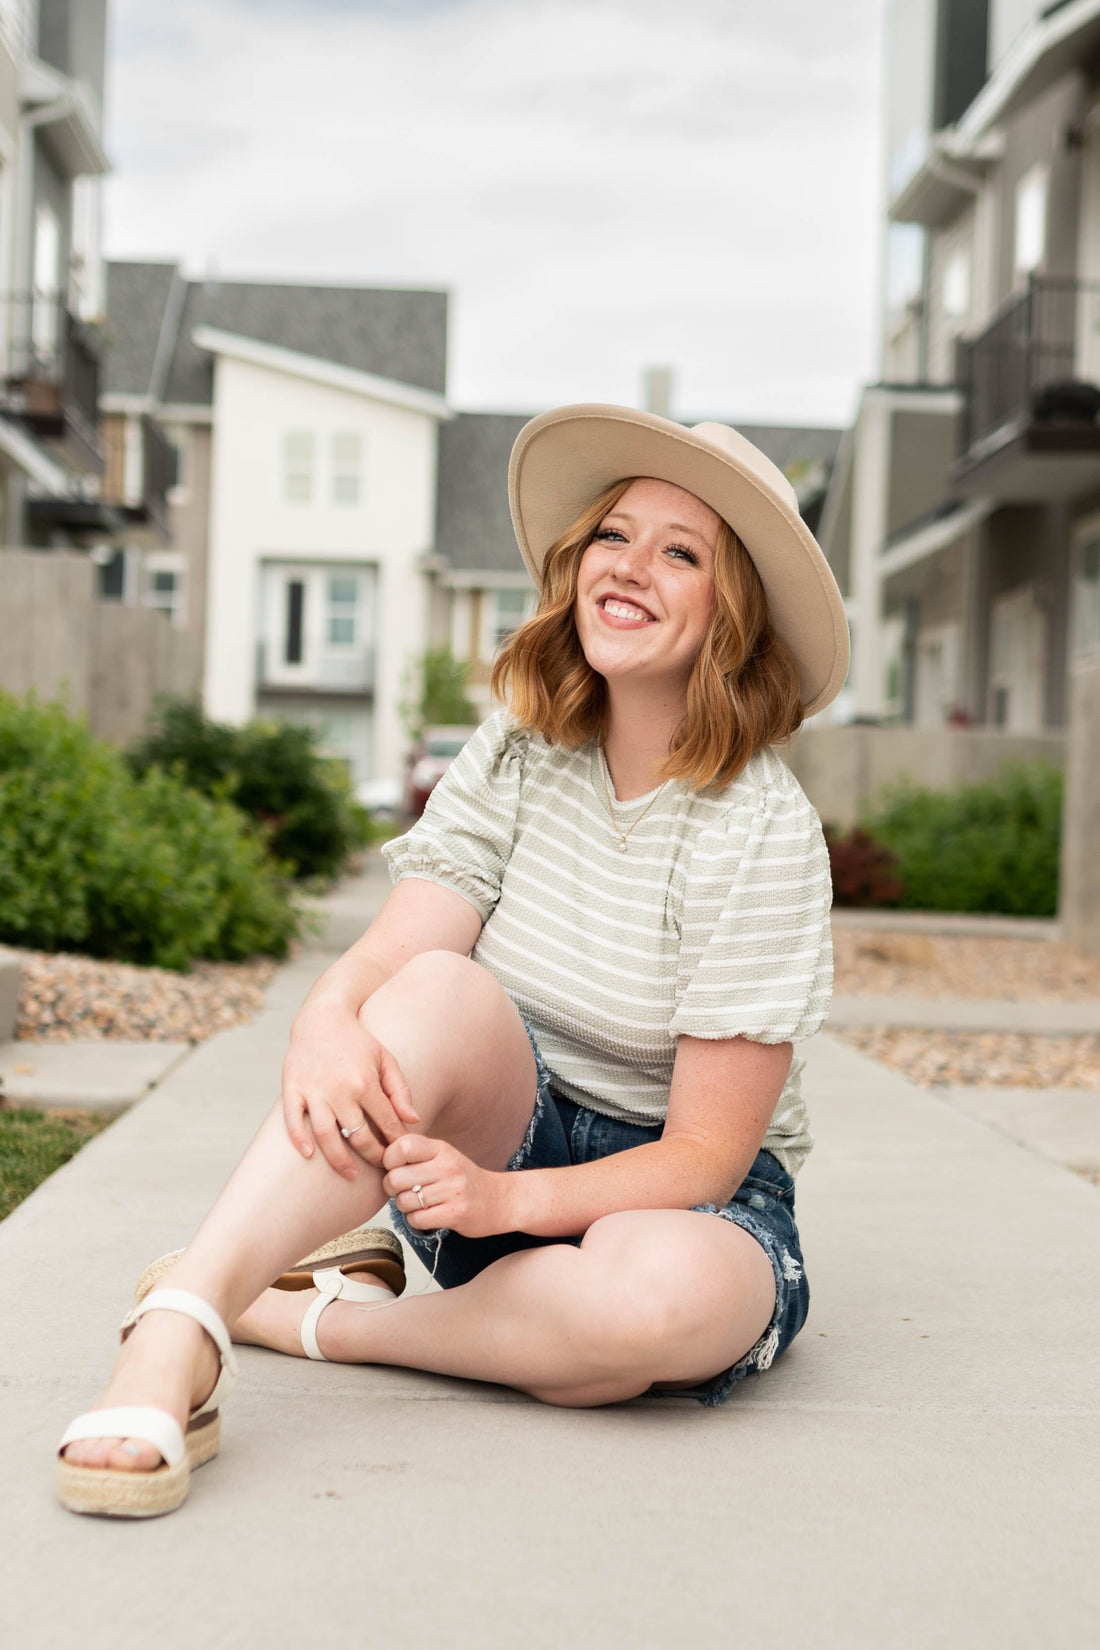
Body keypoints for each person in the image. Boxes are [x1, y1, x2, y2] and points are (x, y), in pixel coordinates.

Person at [57, 404, 849, 1519]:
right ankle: (179, 1329)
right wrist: (325, 1017)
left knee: (650, 1314)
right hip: (493, 1140)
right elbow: (399, 960)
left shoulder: (760, 827)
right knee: (429, 992)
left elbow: (704, 1159)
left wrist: (502, 1199)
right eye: (614, 535)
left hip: (673, 1205)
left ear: (733, 615)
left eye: (682, 553)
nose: (631, 567)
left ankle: (317, 1319)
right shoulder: (523, 746)